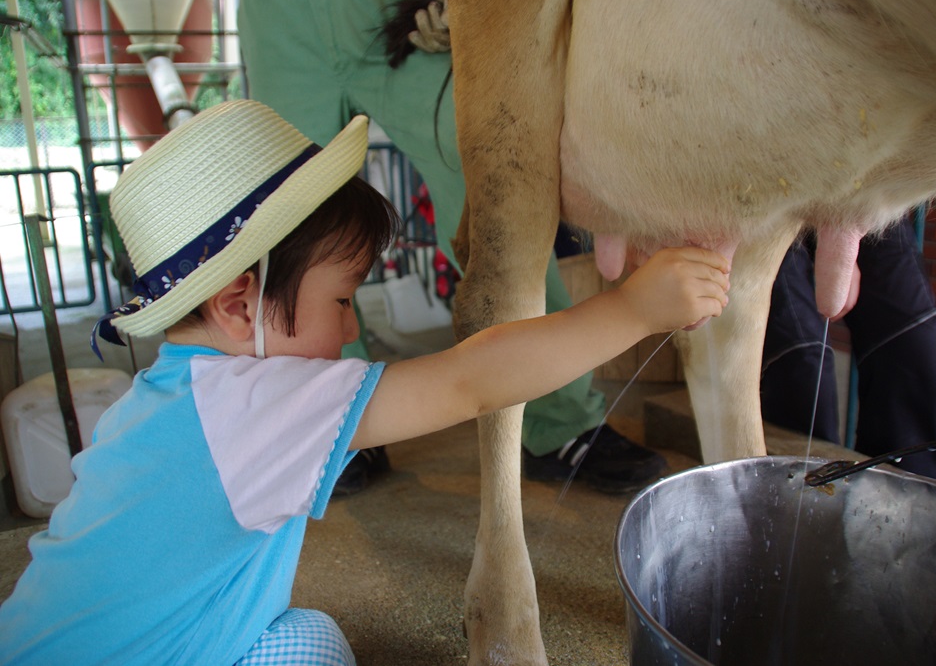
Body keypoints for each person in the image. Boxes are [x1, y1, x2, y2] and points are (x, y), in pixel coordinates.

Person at [0, 101, 730, 664]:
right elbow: (466, 382)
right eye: (342, 299)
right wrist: (632, 309)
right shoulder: (254, 402)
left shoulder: (180, 393)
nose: (351, 329)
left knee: (304, 634)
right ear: (237, 304)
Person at [236, 0, 669, 495]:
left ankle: (560, 421)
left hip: (397, 11)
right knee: (296, 222)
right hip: (281, 19)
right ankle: (333, 424)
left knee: (493, 200)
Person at [760, 220, 936, 478]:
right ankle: (800, 498)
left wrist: (845, 231)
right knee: (802, 366)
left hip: (861, 194)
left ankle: (903, 503)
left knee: (913, 347)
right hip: (767, 202)